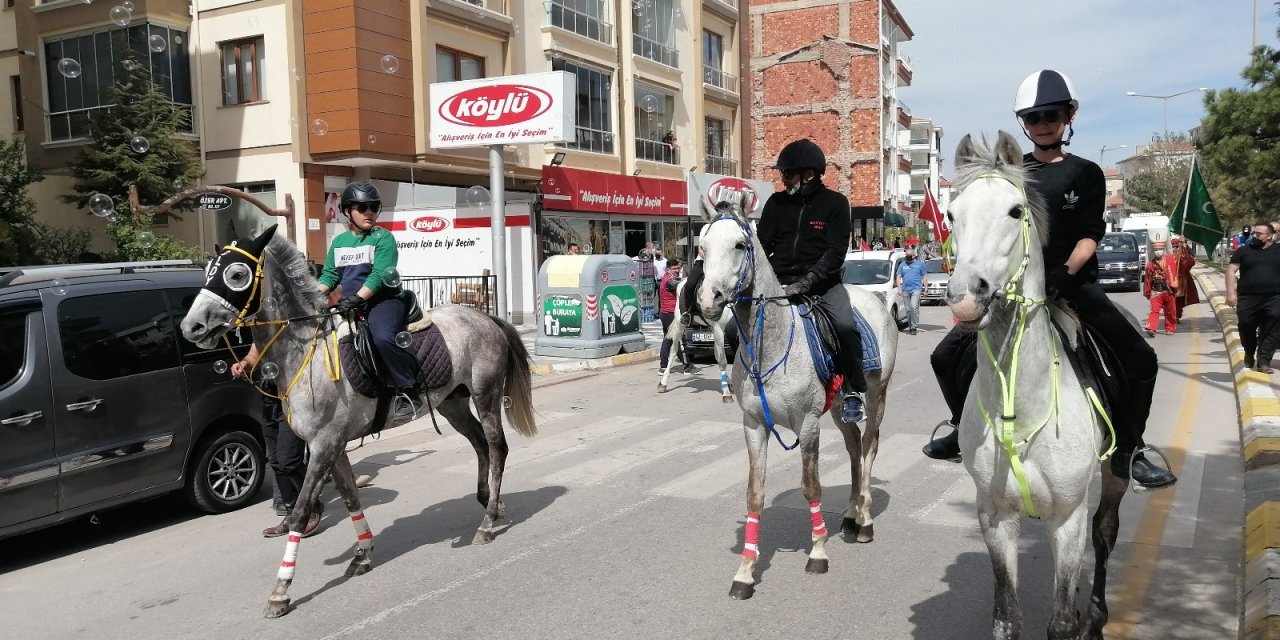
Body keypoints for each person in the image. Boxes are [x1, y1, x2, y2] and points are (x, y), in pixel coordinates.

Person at [921, 69, 1176, 488]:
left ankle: (1131, 449)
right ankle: (959, 430)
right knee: (944, 357)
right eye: (1033, 117)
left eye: (1050, 115)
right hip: (1013, 291)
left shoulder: (1086, 173)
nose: (1041, 124)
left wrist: (1062, 273)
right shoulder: (1010, 175)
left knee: (1141, 359)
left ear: (1069, 115)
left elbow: (1091, 235)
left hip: (1071, 285)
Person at [758, 138, 866, 423]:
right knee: (735, 327)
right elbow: (762, 244)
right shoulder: (776, 203)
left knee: (845, 326)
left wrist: (806, 283)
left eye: (788, 173)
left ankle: (854, 390)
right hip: (778, 283)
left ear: (809, 174)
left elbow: (835, 253)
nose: (782, 178)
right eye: (782, 173)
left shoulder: (836, 204)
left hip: (822, 284)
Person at [318, 182, 420, 422]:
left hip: (384, 301)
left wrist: (354, 299)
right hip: (352, 304)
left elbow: (379, 274)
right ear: (347, 212)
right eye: (362, 207)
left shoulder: (384, 238)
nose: (369, 212)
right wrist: (311, 295)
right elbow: (330, 275)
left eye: (373, 207)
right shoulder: (339, 242)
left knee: (383, 338)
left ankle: (408, 390)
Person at [232, 345, 323, 538]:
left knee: (288, 460)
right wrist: (245, 363)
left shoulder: (289, 322)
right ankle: (292, 514)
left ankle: (311, 507)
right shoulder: (262, 323)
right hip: (269, 399)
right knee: (275, 461)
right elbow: (255, 351)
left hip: (291, 399)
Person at [1227, 223, 1280, 373]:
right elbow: (1231, 271)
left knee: (1272, 327)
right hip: (1248, 297)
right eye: (1254, 233)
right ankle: (1249, 352)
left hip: (1274, 297)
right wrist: (1231, 293)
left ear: (1269, 236)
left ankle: (1264, 361)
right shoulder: (1244, 251)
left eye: (1259, 234)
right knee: (1245, 325)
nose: (1255, 236)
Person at [657, 258, 690, 374]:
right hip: (669, 314)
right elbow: (680, 285)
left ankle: (663, 366)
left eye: (678, 268)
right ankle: (686, 365)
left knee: (669, 339)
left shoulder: (670, 278)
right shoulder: (668, 281)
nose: (676, 270)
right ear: (668, 269)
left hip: (666, 313)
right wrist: (690, 280)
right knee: (679, 338)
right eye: (674, 269)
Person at [1143, 247, 1179, 336]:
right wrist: (1147, 292)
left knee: (1170, 311)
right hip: (1156, 292)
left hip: (1168, 291)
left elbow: (1182, 258)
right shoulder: (1150, 265)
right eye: (1155, 249)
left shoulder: (1171, 260)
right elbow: (1148, 279)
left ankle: (1169, 329)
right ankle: (1151, 328)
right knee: (1154, 311)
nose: (1158, 251)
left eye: (1160, 249)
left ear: (1163, 250)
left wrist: (1183, 245)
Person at [895, 248, 927, 335]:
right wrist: (899, 288)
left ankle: (914, 327)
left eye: (909, 256)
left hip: (916, 289)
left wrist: (926, 288)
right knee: (908, 310)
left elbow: (924, 276)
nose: (908, 258)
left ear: (913, 255)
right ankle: (910, 326)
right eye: (907, 256)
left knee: (913, 307)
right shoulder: (902, 264)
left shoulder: (919, 264)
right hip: (905, 289)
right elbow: (898, 277)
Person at [1171, 237, 1199, 319]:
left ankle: (1176, 315)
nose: (1175, 248)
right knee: (1170, 299)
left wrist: (1185, 246)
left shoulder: (1183, 257)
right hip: (1169, 281)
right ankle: (1173, 315)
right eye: (1173, 246)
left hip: (1180, 281)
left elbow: (1191, 261)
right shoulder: (1167, 257)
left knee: (1179, 299)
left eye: (1177, 246)